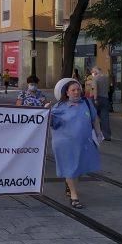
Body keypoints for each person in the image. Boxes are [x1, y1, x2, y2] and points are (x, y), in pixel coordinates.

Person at [49, 78, 102, 210]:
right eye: (73, 90)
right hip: (64, 144)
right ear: (66, 92)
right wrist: (46, 113)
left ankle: (70, 184)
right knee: (70, 168)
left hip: (83, 143)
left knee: (78, 168)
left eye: (78, 89)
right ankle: (74, 196)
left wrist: (99, 132)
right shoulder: (59, 107)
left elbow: (94, 118)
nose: (76, 92)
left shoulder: (87, 103)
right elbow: (52, 123)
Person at [91, 67, 112, 141]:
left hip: (98, 98)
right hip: (105, 98)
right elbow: (109, 88)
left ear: (96, 72)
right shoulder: (106, 78)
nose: (92, 73)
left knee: (94, 116)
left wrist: (95, 99)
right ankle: (107, 136)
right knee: (105, 117)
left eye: (93, 72)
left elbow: (95, 89)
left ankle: (95, 134)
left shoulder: (95, 79)